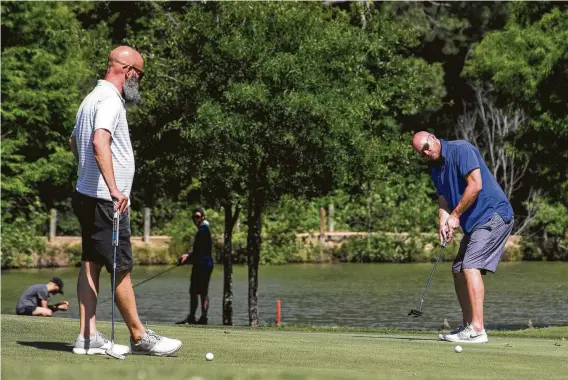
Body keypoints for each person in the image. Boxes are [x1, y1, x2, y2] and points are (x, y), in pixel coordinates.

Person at [69, 45, 182, 356]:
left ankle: (87, 335)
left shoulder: (90, 98)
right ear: (128, 71)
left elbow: (73, 140)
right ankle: (139, 336)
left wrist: (87, 173)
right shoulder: (110, 102)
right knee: (121, 267)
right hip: (107, 201)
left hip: (87, 196)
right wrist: (115, 188)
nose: (139, 81)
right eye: (139, 74)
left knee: (91, 264)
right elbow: (98, 140)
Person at [412, 131, 514, 344]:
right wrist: (443, 221)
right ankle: (469, 326)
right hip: (475, 224)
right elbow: (443, 200)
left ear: (433, 137)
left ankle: (478, 329)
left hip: (494, 215)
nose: (427, 152)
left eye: (427, 147)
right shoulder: (435, 169)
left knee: (470, 266)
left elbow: (475, 185)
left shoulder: (461, 150)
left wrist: (456, 215)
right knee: (458, 270)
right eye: (421, 152)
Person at [176, 208, 214, 325]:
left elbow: (199, 252)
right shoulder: (203, 230)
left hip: (203, 265)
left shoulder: (203, 230)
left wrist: (186, 259)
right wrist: (188, 256)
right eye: (194, 217)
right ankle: (198, 318)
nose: (195, 219)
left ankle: (198, 318)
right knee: (198, 292)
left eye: (197, 216)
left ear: (203, 217)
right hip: (203, 264)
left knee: (198, 292)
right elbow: (198, 251)